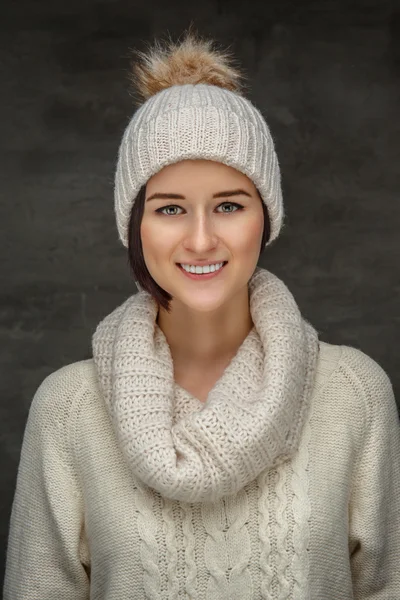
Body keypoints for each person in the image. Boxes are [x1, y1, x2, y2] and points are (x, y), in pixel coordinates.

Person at [3, 31, 400, 599]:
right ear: (133, 225)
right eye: (169, 208)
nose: (201, 238)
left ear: (266, 218)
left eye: (230, 206)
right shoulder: (68, 410)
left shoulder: (353, 394)